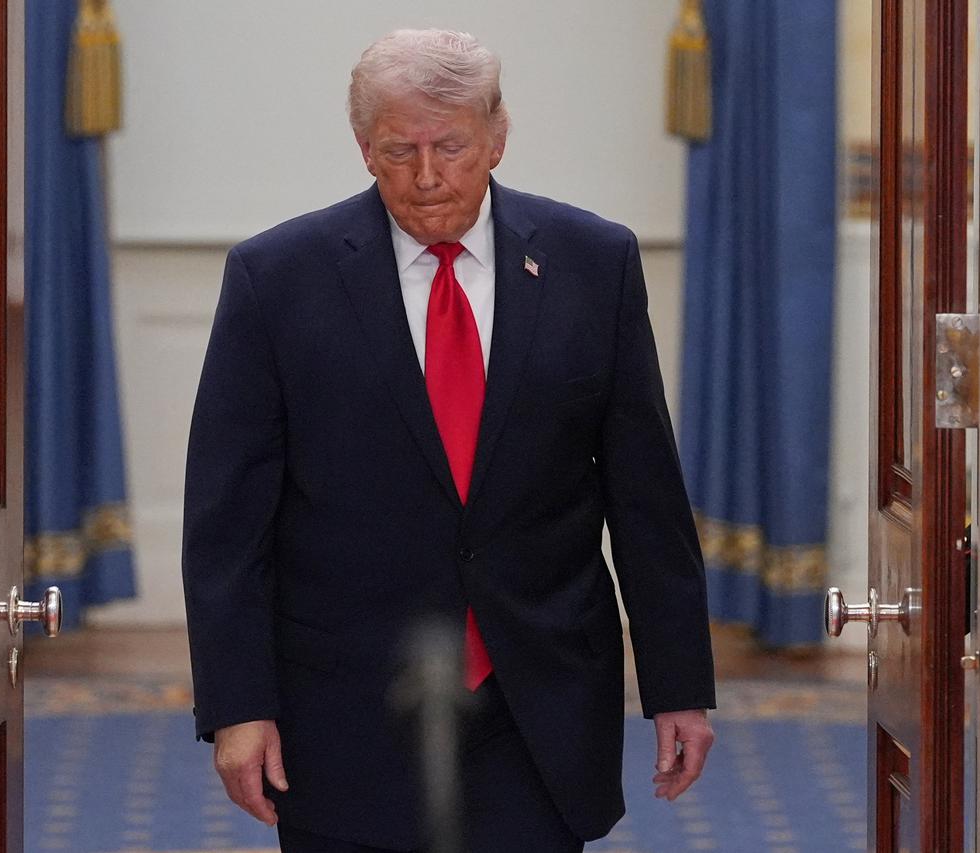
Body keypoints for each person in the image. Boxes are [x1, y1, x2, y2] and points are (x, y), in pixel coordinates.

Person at [182, 28, 716, 853]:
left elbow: (645, 494)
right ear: (363, 148)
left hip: (536, 691)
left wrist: (679, 684)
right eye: (399, 150)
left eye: (451, 146)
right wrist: (237, 705)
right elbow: (228, 523)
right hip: (346, 701)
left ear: (497, 135)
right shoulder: (278, 278)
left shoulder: (592, 262)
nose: (427, 175)